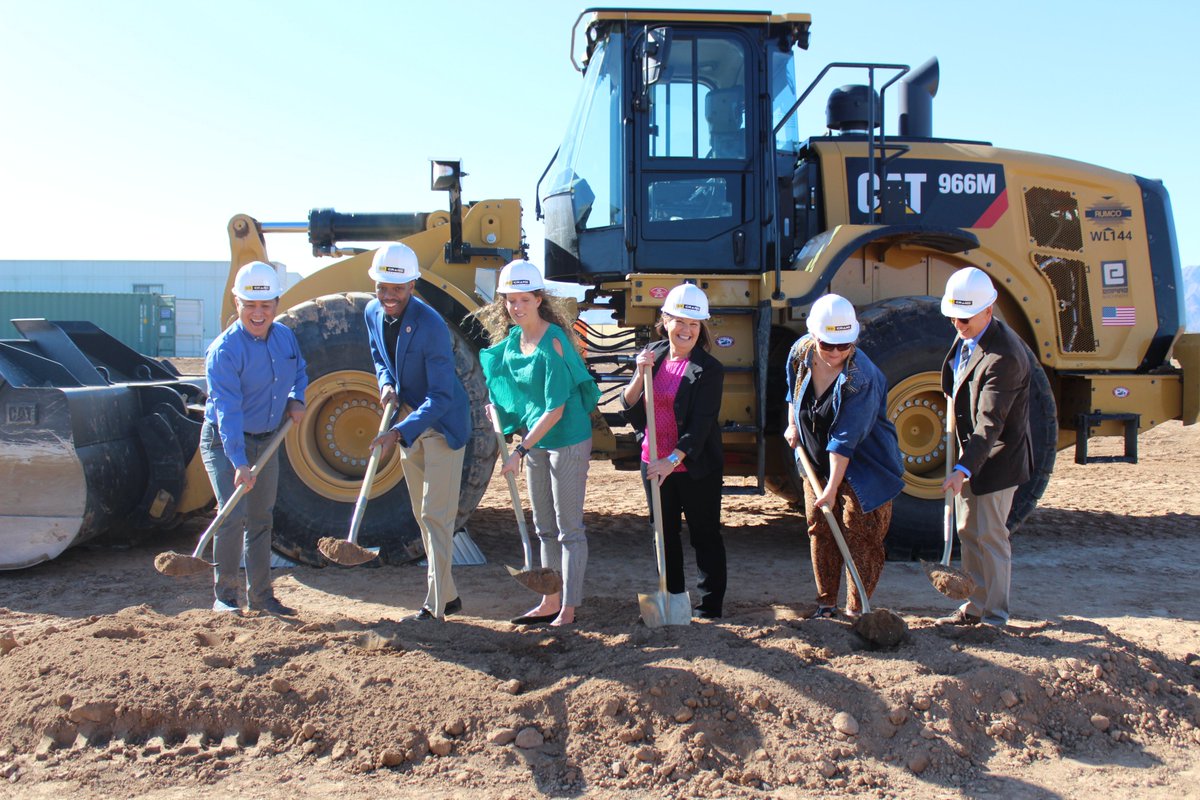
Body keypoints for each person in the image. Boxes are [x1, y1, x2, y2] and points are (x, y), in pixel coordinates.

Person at [476, 260, 599, 627]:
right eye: (510, 300)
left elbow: (556, 409)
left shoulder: (554, 342)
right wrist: (496, 410)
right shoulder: (514, 340)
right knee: (544, 527)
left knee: (568, 529)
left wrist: (519, 450)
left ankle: (569, 609)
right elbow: (509, 387)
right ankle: (549, 600)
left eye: (523, 300)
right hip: (537, 439)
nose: (516, 307)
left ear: (539, 299)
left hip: (567, 439)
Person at [364, 242, 472, 622]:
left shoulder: (431, 326)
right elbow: (380, 357)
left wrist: (397, 432)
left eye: (397, 288)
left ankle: (436, 604)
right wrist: (385, 386)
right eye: (382, 287)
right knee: (421, 514)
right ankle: (450, 595)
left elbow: (442, 396)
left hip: (441, 425)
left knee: (436, 515)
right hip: (410, 420)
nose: (389, 296)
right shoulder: (371, 312)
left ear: (412, 285)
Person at [783, 294, 904, 619]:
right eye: (828, 345)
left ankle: (858, 610)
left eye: (845, 345)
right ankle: (825, 604)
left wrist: (832, 487)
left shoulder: (860, 378)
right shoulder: (800, 353)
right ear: (813, 337)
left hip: (864, 465)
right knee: (820, 528)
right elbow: (791, 393)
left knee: (859, 532)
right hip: (815, 459)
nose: (836, 353)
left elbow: (844, 441)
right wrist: (792, 424)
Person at [202, 260, 307, 615]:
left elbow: (300, 370)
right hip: (225, 441)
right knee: (232, 515)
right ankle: (226, 597)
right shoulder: (224, 351)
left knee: (262, 518)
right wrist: (239, 462)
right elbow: (227, 412)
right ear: (237, 304)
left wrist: (298, 398)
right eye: (251, 306)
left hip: (267, 439)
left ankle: (262, 597)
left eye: (266, 305)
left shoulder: (285, 337)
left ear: (277, 304)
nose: (258, 314)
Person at [621, 283, 727, 619]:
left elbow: (703, 423)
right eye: (679, 321)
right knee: (663, 534)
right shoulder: (653, 354)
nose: (686, 330)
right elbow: (628, 405)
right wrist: (640, 374)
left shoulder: (709, 370)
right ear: (664, 320)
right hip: (653, 463)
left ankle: (710, 605)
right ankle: (673, 599)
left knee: (704, 534)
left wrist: (672, 460)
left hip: (694, 467)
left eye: (694, 324)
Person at [937, 267, 1033, 628]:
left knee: (991, 535)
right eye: (953, 318)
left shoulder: (1004, 356)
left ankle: (995, 615)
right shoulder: (969, 335)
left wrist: (962, 469)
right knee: (967, 531)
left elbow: (989, 424)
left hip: (996, 461)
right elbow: (956, 375)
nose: (957, 325)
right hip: (971, 455)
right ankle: (973, 607)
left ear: (987, 311)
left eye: (964, 318)